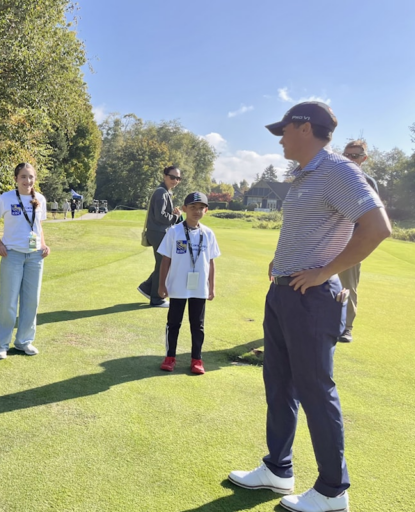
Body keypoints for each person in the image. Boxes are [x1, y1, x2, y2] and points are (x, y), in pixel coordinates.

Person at [228, 102, 390, 512]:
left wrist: (325, 272)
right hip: (283, 293)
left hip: (311, 300)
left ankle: (334, 490)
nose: (280, 138)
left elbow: (378, 227)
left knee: (316, 391)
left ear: (304, 128)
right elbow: (310, 229)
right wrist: (281, 263)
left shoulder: (339, 171)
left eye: (283, 130)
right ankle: (278, 469)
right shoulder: (303, 175)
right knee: (279, 384)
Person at [0, 163, 50, 359]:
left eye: (31, 177)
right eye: (23, 177)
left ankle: (24, 341)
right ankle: (2, 344)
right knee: (8, 302)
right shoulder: (5, 198)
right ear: (16, 179)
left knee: (31, 301)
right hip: (12, 255)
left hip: (35, 257)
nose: (27, 181)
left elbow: (38, 225)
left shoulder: (39, 199)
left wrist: (44, 244)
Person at [157, 192, 220, 375]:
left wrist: (212, 287)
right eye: (192, 207)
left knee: (197, 325)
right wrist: (161, 285)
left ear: (206, 210)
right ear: (184, 209)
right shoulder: (174, 231)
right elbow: (166, 260)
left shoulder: (208, 234)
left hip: (199, 288)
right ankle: (170, 357)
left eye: (201, 208)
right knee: (174, 323)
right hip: (177, 286)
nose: (197, 211)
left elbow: (211, 262)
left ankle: (197, 359)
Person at [337, 139, 379, 343]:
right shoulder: (333, 177)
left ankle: (346, 328)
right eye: (346, 155)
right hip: (325, 240)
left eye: (354, 156)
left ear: (364, 158)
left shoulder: (367, 182)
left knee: (347, 286)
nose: (350, 159)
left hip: (351, 243)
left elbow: (372, 219)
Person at [137, 166, 183, 307]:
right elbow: (161, 216)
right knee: (163, 264)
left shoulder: (165, 192)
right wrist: (176, 216)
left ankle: (146, 287)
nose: (175, 180)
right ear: (165, 176)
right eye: (172, 177)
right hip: (158, 233)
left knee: (162, 264)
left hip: (158, 232)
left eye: (178, 178)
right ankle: (157, 299)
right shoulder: (161, 193)